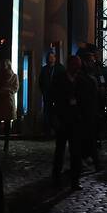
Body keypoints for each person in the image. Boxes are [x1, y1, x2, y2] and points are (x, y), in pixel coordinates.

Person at [50, 55, 92, 189]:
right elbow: (53, 97)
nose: (78, 68)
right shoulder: (59, 78)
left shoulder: (81, 80)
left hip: (76, 120)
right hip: (63, 118)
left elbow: (85, 100)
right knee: (60, 150)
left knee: (76, 151)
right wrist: (55, 117)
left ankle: (75, 180)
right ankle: (56, 177)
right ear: (70, 65)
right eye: (75, 65)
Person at [38, 52, 61, 134]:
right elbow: (40, 81)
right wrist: (43, 91)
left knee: (55, 112)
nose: (51, 59)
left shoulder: (59, 68)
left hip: (57, 95)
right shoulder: (44, 69)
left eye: (52, 57)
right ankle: (47, 130)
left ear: (55, 58)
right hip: (47, 94)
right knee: (47, 111)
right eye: (49, 57)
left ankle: (55, 129)